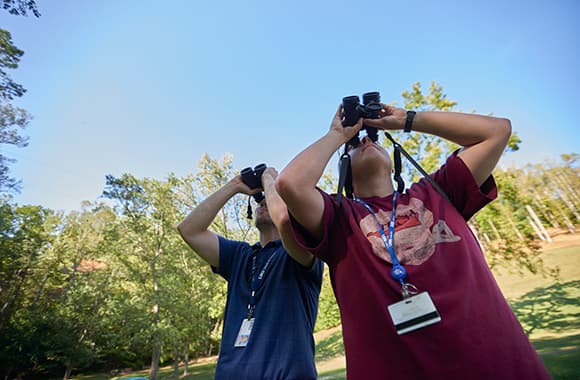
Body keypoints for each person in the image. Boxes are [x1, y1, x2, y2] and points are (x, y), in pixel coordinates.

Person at [275, 103, 551, 379]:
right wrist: (339, 135)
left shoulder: (438, 192)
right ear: (345, 174)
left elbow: (497, 131)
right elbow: (291, 183)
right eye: (356, 146)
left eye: (373, 140)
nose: (368, 140)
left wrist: (406, 120)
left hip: (497, 366)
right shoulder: (338, 219)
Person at [177, 166, 323, 380]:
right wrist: (234, 186)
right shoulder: (239, 256)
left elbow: (283, 218)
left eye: (271, 198)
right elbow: (189, 230)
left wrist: (269, 178)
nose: (264, 201)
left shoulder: (303, 252)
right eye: (261, 200)